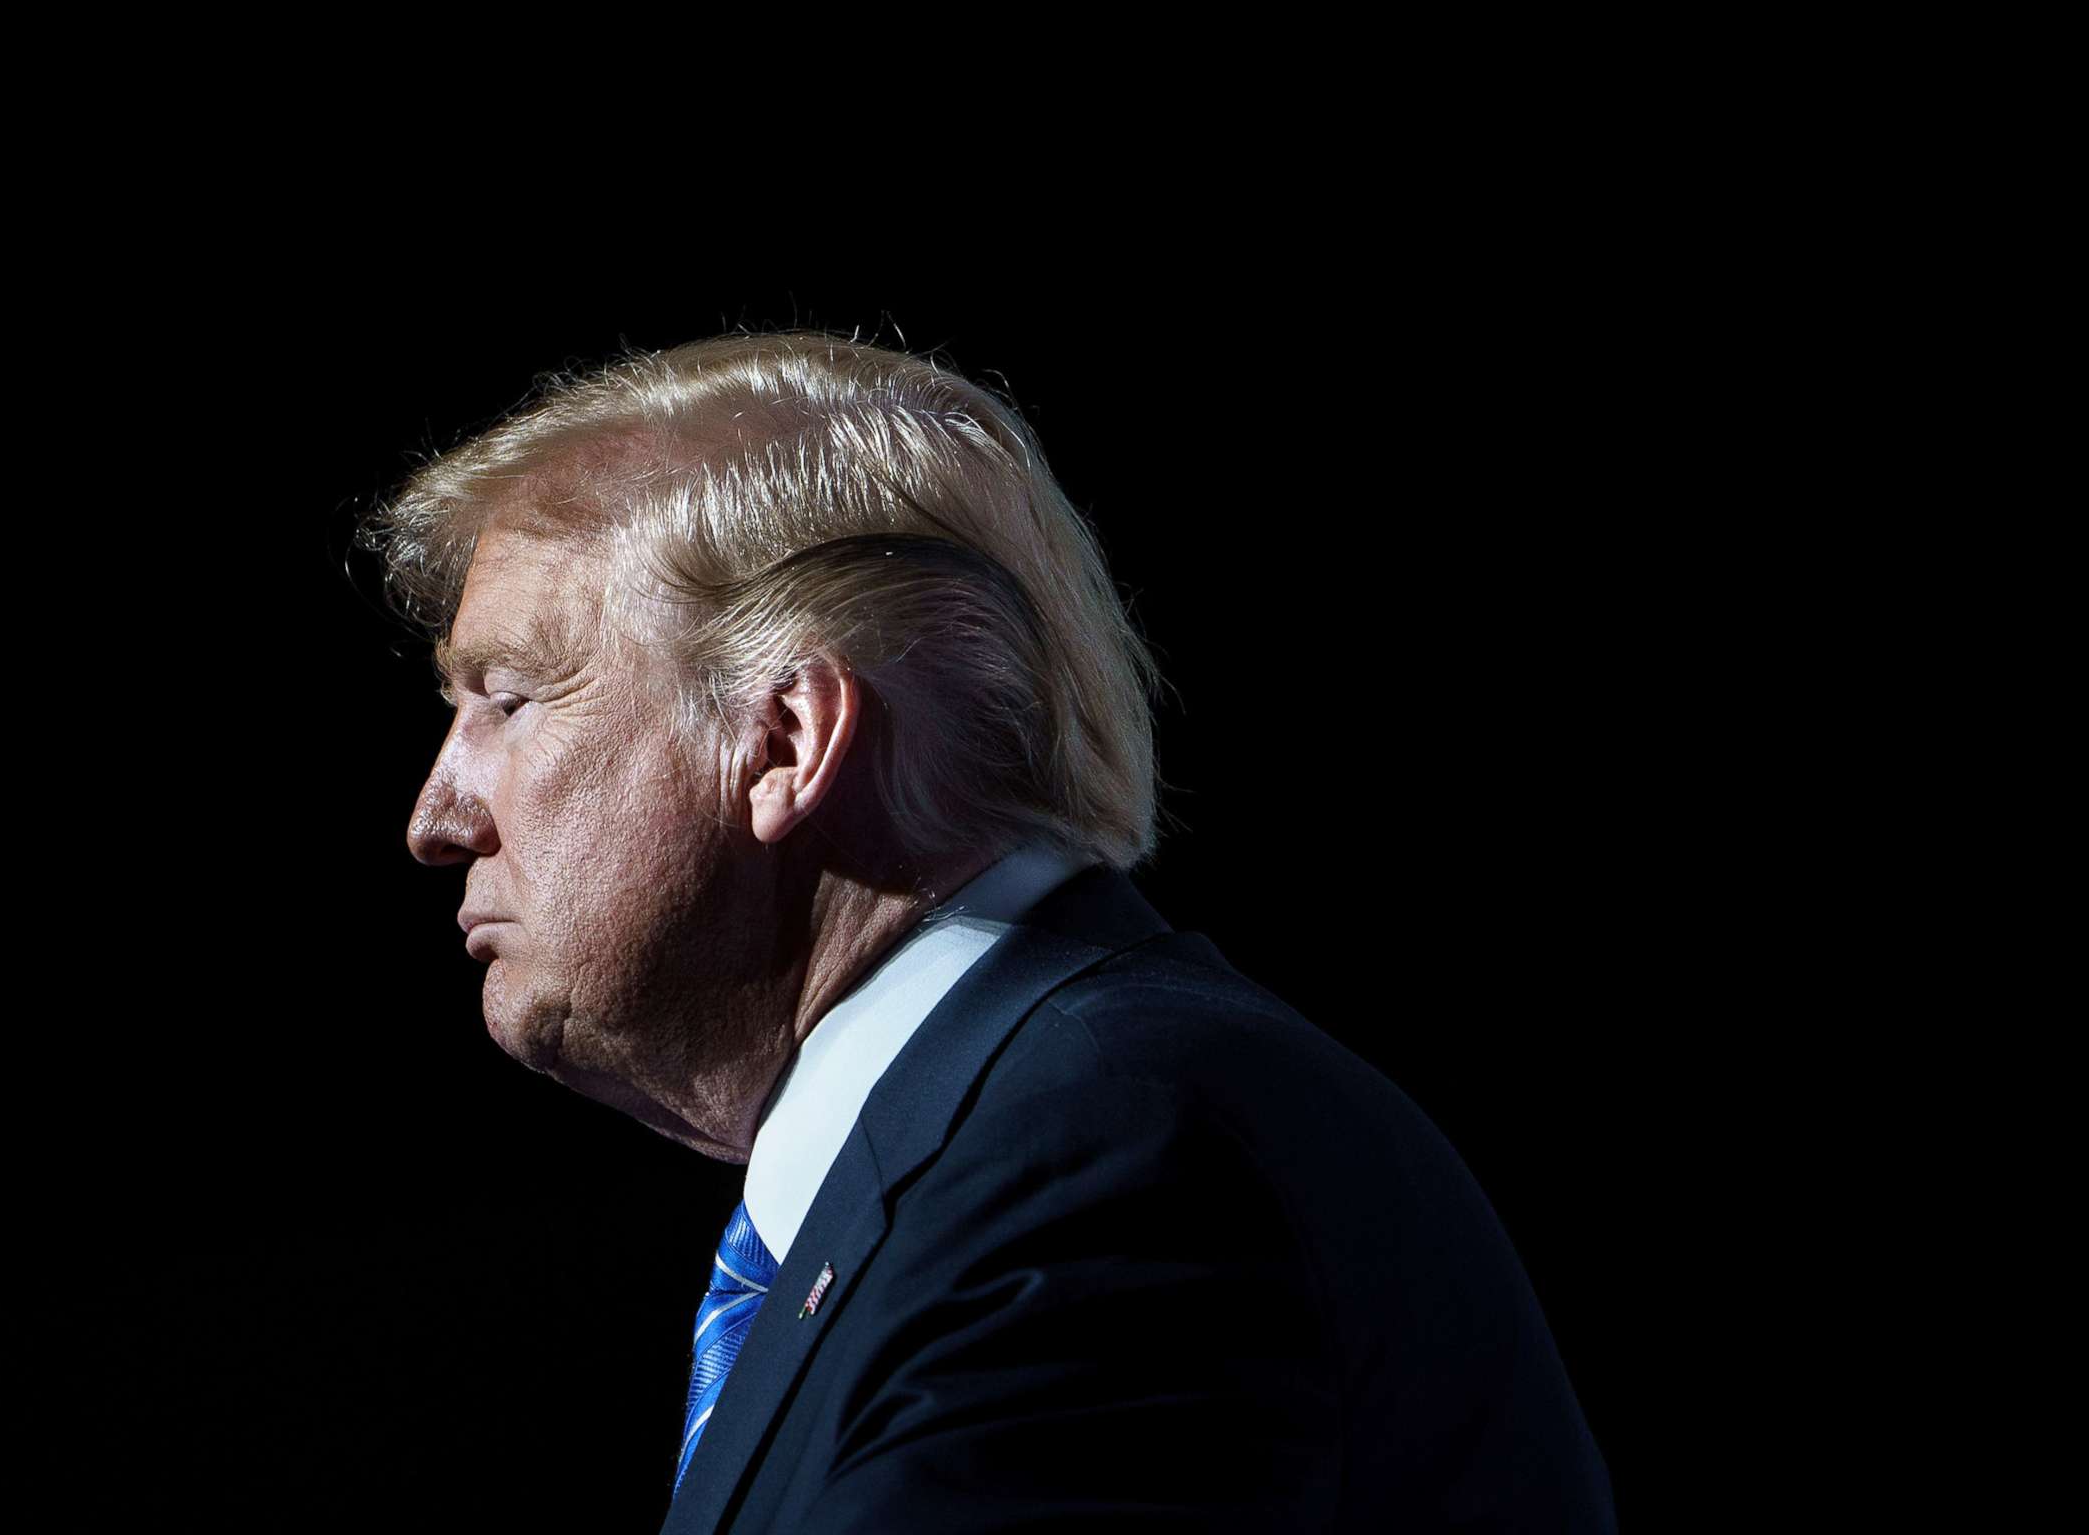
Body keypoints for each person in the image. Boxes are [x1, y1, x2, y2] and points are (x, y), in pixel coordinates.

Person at [367, 332, 1615, 1533]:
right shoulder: (1014, 1140)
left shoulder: (1107, 1155)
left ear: (787, 742)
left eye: (512, 698)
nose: (436, 817)